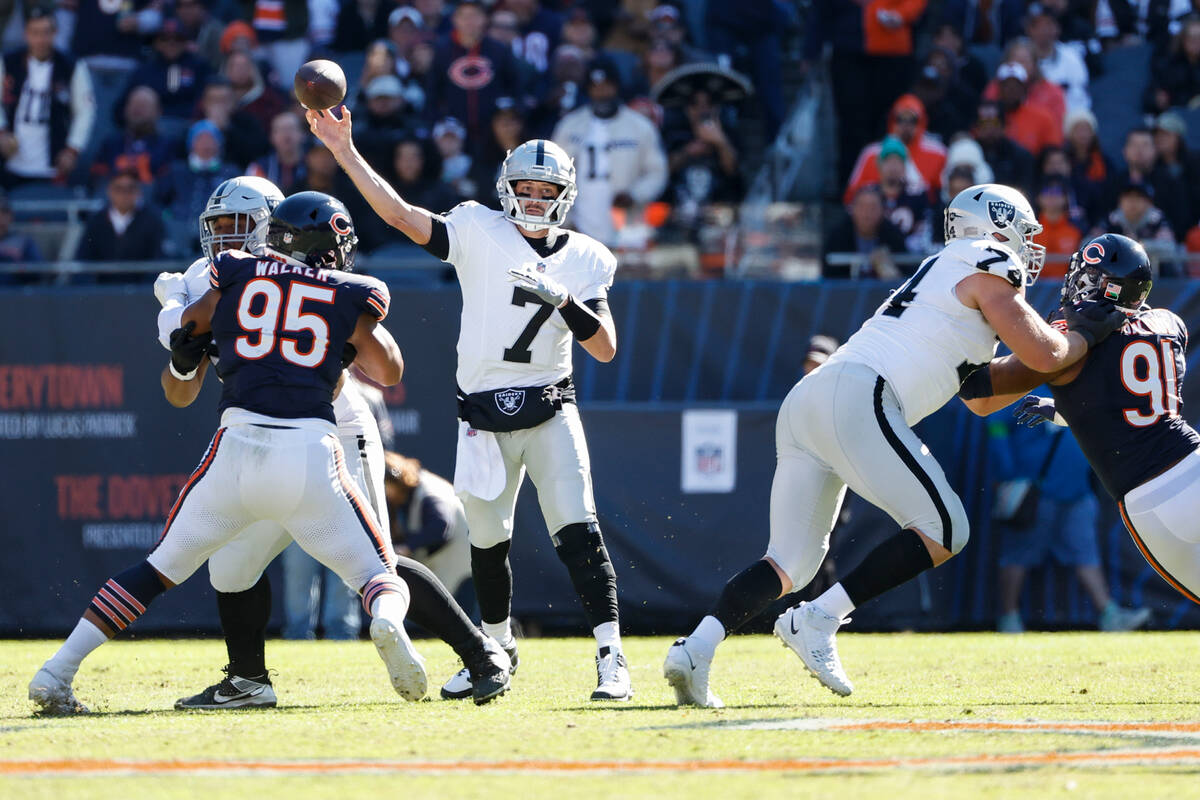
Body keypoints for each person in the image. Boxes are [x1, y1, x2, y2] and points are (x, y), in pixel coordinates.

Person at [663, 184, 1128, 707]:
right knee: (947, 527)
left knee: (790, 561)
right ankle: (819, 618)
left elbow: (979, 395)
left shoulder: (947, 270)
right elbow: (1045, 356)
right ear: (999, 225)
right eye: (1024, 229)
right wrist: (1088, 336)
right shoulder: (990, 258)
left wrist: (1065, 354)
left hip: (811, 400)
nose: (1028, 243)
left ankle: (695, 648)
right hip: (860, 393)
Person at [28, 191, 423, 715]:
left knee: (157, 568)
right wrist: (346, 339)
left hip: (234, 447)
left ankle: (58, 670)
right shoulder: (348, 291)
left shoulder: (233, 271)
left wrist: (176, 319)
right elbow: (390, 372)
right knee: (378, 578)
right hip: (308, 451)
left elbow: (191, 329)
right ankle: (388, 623)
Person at [307, 106, 632, 702]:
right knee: (487, 543)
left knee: (578, 533)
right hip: (482, 415)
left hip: (549, 408)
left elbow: (606, 348)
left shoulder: (586, 258)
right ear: (506, 189)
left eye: (546, 191)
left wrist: (564, 301)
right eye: (526, 189)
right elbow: (402, 217)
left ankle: (612, 658)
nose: (534, 199)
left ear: (565, 195)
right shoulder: (480, 230)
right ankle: (496, 649)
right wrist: (345, 151)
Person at [149, 178, 511, 708]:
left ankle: (482, 656)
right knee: (231, 564)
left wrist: (171, 310)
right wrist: (176, 319)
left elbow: (381, 363)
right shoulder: (213, 277)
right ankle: (248, 680)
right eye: (219, 227)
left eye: (239, 226)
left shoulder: (304, 276)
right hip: (262, 435)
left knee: (376, 563)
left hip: (332, 425)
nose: (226, 239)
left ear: (276, 229)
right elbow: (182, 372)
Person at [959, 232, 1200, 610]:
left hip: (1145, 499)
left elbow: (980, 395)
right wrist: (1063, 408)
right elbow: (1129, 407)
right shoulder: (1170, 324)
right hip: (1192, 465)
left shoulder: (1067, 339)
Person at [990, 419, 1151, 633]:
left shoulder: (1075, 391)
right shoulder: (1016, 395)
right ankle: (1008, 619)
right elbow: (996, 430)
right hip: (1034, 496)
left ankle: (1110, 616)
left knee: (1086, 555)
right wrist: (1009, 476)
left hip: (1079, 493)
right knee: (1018, 556)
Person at [552, 59, 668, 245]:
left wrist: (635, 194)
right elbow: (554, 176)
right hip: (579, 225)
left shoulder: (640, 127)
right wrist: (566, 222)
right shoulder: (569, 126)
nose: (602, 92)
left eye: (607, 86)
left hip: (627, 227)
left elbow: (657, 172)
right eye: (595, 87)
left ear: (617, 86)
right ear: (588, 90)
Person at [0, 5, 94, 187]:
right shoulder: (8, 62)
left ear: (55, 33)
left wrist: (72, 149)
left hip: (53, 160)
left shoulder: (71, 66)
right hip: (10, 159)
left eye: (46, 32)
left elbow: (85, 111)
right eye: (35, 32)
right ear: (26, 34)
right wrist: (2, 132)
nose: (40, 39)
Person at [384, 451, 474, 620]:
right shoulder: (409, 493)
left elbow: (441, 527)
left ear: (394, 481)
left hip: (463, 568)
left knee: (467, 626)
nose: (385, 493)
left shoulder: (430, 491)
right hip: (449, 566)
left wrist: (407, 547)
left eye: (386, 485)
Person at [75, 168, 165, 263]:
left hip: (140, 277)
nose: (124, 194)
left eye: (130, 189)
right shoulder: (96, 221)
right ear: (109, 191)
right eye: (119, 189)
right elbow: (83, 259)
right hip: (103, 277)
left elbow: (158, 260)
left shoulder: (152, 221)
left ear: (139, 192)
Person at [823, 185, 909, 279]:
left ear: (883, 210)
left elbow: (905, 277)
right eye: (862, 206)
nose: (867, 213)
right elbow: (830, 278)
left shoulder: (894, 236)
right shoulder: (837, 237)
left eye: (873, 207)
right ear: (852, 209)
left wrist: (886, 268)